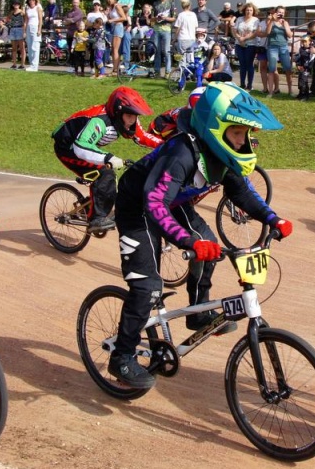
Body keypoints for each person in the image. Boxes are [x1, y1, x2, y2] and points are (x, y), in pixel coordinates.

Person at [107, 83, 293, 389]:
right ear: (215, 128)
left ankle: (197, 312)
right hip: (137, 206)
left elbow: (243, 192)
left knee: (212, 250)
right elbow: (154, 201)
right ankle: (122, 357)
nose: (243, 141)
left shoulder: (221, 154)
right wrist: (189, 241)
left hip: (172, 203)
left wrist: (273, 218)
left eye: (245, 135)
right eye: (236, 133)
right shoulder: (182, 152)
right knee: (148, 287)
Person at [50, 87, 161, 234]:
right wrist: (108, 158)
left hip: (86, 145)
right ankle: (97, 218)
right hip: (69, 148)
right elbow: (80, 147)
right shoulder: (100, 121)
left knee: (108, 173)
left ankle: (91, 206)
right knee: (105, 173)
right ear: (118, 111)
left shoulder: (126, 118)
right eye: (129, 115)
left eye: (135, 115)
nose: (133, 120)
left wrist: (168, 145)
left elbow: (142, 137)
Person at [259, 5, 292, 97]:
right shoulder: (271, 22)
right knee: (272, 69)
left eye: (282, 12)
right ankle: (270, 92)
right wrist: (272, 21)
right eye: (279, 12)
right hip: (272, 47)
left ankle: (290, 91)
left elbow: (290, 35)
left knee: (288, 68)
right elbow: (267, 33)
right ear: (275, 13)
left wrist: (285, 26)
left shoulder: (285, 22)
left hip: (283, 47)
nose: (281, 14)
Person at [232, 2, 260, 91]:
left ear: (253, 11)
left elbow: (255, 33)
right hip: (239, 44)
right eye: (247, 10)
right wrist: (239, 38)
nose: (249, 11)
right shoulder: (239, 19)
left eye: (251, 10)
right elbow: (235, 30)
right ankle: (242, 84)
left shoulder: (256, 20)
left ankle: (250, 85)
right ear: (244, 10)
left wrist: (244, 38)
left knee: (249, 64)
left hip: (251, 44)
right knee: (242, 64)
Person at [152, 0, 176, 77]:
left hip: (166, 29)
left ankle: (168, 71)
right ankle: (157, 71)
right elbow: (151, 18)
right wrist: (157, 17)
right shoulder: (155, 4)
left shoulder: (171, 3)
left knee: (166, 51)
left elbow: (174, 18)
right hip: (157, 29)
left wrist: (165, 18)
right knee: (157, 50)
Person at [105, 0, 129, 76]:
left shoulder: (117, 6)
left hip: (118, 27)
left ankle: (115, 70)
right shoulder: (111, 8)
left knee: (115, 49)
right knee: (114, 49)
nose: (109, 0)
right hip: (113, 28)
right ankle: (115, 69)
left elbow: (124, 18)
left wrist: (112, 20)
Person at [25, 0, 44, 72]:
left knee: (35, 47)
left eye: (33, 0)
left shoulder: (38, 8)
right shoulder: (27, 9)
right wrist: (24, 31)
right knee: (29, 47)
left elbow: (40, 20)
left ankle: (35, 66)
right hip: (29, 28)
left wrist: (39, 30)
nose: (31, 1)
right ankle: (31, 64)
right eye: (30, 0)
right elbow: (26, 21)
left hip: (35, 27)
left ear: (35, 1)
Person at [6, 0, 26, 70]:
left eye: (17, 4)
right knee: (14, 48)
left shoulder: (22, 12)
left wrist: (24, 31)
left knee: (22, 48)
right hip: (13, 29)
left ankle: (22, 64)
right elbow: (7, 19)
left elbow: (25, 22)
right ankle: (14, 64)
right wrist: (9, 24)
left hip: (20, 29)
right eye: (15, 4)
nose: (16, 5)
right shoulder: (11, 12)